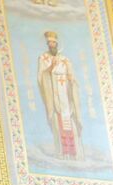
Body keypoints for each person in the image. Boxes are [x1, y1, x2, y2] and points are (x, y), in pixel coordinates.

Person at [38, 31, 82, 160]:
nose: (51, 44)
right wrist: (50, 68)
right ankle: (62, 153)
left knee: (70, 122)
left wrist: (70, 77)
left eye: (53, 42)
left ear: (56, 43)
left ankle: (75, 154)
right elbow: (41, 78)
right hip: (54, 96)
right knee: (58, 124)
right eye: (49, 43)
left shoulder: (65, 59)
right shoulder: (43, 58)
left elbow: (71, 76)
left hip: (66, 96)